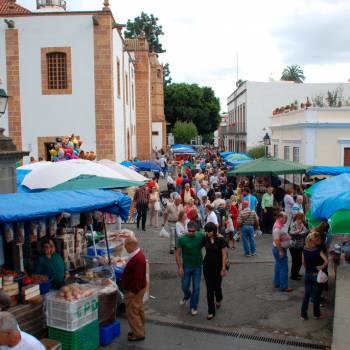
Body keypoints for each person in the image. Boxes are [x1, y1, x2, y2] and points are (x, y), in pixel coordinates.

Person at [176, 220, 205, 316]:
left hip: (197, 266)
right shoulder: (182, 239)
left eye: (193, 231)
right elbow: (177, 254)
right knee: (184, 286)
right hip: (186, 266)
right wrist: (180, 267)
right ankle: (187, 295)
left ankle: (193, 307)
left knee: (196, 288)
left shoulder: (201, 235)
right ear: (187, 229)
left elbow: (210, 234)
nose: (192, 233)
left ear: (196, 230)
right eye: (190, 231)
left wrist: (218, 235)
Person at [121, 236, 147, 341]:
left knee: (132, 312)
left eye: (126, 245)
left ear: (132, 245)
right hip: (139, 288)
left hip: (135, 290)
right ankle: (140, 329)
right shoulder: (137, 255)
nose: (125, 248)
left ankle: (138, 334)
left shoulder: (138, 259)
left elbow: (137, 278)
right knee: (138, 309)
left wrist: (132, 291)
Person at [300, 233, 328, 320]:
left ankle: (303, 315)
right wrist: (321, 267)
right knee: (316, 297)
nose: (321, 240)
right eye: (319, 239)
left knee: (307, 295)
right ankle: (317, 314)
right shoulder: (318, 250)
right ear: (315, 241)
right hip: (316, 276)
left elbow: (303, 262)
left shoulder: (304, 249)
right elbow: (326, 261)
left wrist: (308, 269)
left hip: (308, 275)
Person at [203, 222, 228, 320]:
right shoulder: (205, 238)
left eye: (209, 231)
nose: (208, 233)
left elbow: (224, 255)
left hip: (218, 266)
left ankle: (219, 298)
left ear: (214, 231)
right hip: (207, 266)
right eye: (206, 231)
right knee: (209, 289)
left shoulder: (221, 239)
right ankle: (211, 311)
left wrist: (223, 268)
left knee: (217, 286)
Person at [272, 212, 293, 292]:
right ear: (280, 217)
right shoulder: (277, 228)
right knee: (284, 268)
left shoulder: (279, 225)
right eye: (285, 218)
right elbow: (277, 240)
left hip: (278, 248)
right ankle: (284, 286)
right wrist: (280, 250)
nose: (286, 220)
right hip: (279, 249)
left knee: (278, 266)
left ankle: (277, 282)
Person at [289, 213, 308, 280]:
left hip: (300, 245)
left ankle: (296, 273)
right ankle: (293, 275)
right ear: (296, 218)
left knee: (300, 261)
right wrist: (300, 231)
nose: (300, 220)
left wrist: (300, 232)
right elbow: (291, 233)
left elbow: (306, 231)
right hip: (293, 246)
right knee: (295, 261)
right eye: (299, 219)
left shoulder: (302, 225)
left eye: (301, 219)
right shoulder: (293, 224)